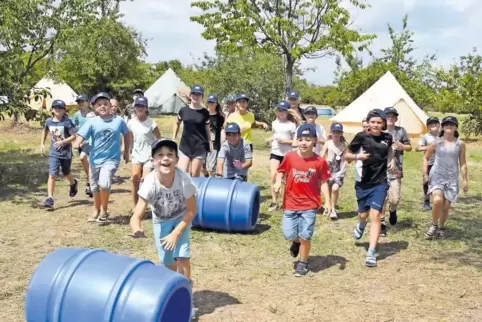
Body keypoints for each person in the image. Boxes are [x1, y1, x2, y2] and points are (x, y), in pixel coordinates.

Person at [129, 138, 197, 319]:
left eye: (169, 154)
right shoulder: (149, 183)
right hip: (161, 222)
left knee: (183, 256)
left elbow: (192, 210)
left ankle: (188, 295)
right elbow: (136, 215)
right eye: (160, 155)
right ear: (153, 161)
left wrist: (176, 233)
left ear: (176, 159)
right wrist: (136, 229)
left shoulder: (184, 180)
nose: (165, 158)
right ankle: (175, 290)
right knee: (169, 265)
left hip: (181, 219)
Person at [273, 123, 331, 277]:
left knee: (306, 235)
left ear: (315, 141)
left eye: (307, 139)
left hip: (309, 205)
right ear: (296, 141)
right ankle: (295, 241)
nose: (304, 142)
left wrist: (328, 201)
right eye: (300, 139)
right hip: (291, 203)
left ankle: (303, 263)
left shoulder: (319, 161)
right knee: (289, 234)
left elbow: (324, 182)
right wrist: (278, 182)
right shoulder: (290, 157)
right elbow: (281, 171)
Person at [345, 109, 395, 267]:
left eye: (379, 122)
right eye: (372, 122)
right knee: (362, 214)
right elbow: (346, 156)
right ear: (368, 122)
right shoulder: (361, 137)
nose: (375, 125)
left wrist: (392, 160)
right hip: (363, 182)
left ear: (383, 124)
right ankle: (360, 224)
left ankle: (371, 252)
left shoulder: (387, 137)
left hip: (380, 182)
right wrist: (356, 157)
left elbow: (390, 149)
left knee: (375, 215)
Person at [74, 92, 130, 223]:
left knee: (104, 184)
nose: (103, 106)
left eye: (105, 104)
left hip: (112, 159)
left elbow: (127, 134)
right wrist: (77, 142)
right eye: (99, 104)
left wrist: (126, 151)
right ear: (94, 107)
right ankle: (96, 210)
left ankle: (104, 210)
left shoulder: (118, 121)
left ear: (111, 105)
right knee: (94, 187)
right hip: (94, 159)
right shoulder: (92, 122)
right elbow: (81, 134)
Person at [423, 116, 468, 240]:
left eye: (452, 124)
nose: (449, 126)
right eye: (446, 124)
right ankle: (434, 225)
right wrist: (425, 174)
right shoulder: (437, 142)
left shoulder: (460, 144)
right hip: (437, 174)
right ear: (442, 127)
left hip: (452, 177)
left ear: (456, 127)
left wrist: (465, 180)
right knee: (437, 200)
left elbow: (463, 163)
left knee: (446, 206)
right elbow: (426, 158)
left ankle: (441, 227)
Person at [40, 99, 78, 209]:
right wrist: (42, 143)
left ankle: (73, 183)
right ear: (52, 109)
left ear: (64, 110)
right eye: (56, 107)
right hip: (54, 152)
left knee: (66, 172)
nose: (58, 109)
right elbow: (45, 130)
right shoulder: (48, 121)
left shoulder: (67, 121)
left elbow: (74, 135)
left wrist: (63, 141)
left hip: (65, 152)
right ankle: (50, 198)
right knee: (52, 174)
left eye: (60, 108)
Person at [379, 107, 412, 236]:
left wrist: (401, 146)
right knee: (383, 197)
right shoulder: (379, 131)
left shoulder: (401, 131)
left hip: (396, 169)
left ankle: (393, 210)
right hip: (381, 170)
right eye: (388, 116)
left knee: (395, 199)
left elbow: (409, 147)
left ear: (396, 118)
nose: (390, 118)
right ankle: (381, 223)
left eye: (393, 116)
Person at [127, 96, 161, 210]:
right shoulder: (131, 122)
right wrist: (127, 150)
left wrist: (159, 154)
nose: (140, 108)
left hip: (149, 155)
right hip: (136, 154)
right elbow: (129, 137)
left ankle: (144, 204)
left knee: (146, 180)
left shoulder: (152, 123)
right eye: (137, 106)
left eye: (142, 106)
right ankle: (135, 206)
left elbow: (158, 138)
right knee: (134, 178)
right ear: (134, 108)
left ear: (146, 108)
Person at [173, 85, 212, 177]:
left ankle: (194, 191)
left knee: (194, 175)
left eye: (199, 94)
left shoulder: (205, 113)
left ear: (202, 97)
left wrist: (210, 142)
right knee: (181, 173)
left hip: (199, 147)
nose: (196, 96)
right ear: (190, 95)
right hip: (185, 146)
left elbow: (207, 129)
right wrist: (173, 138)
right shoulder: (183, 110)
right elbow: (177, 123)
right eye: (194, 94)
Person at [265, 100, 297, 211]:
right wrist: (269, 139)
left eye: (284, 110)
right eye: (279, 110)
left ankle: (287, 201)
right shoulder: (274, 123)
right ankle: (274, 202)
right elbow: (274, 135)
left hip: (287, 154)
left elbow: (295, 141)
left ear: (288, 112)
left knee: (286, 179)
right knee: (273, 175)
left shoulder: (292, 125)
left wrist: (285, 141)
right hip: (275, 151)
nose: (281, 112)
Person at [320, 123, 347, 220]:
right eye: (334, 131)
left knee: (335, 188)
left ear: (341, 133)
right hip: (328, 170)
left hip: (339, 170)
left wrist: (341, 172)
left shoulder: (344, 145)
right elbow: (322, 156)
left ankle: (333, 209)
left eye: (338, 132)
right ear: (330, 133)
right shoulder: (328, 143)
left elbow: (345, 160)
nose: (336, 133)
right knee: (328, 190)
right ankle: (329, 207)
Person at [71, 94, 96, 197]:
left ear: (87, 102)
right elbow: (73, 128)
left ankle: (91, 185)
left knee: (92, 162)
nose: (81, 103)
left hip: (93, 142)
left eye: (82, 101)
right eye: (79, 102)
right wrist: (77, 139)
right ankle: (90, 181)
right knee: (83, 160)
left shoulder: (93, 114)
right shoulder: (76, 115)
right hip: (82, 142)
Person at [416, 117, 441, 210]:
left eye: (435, 123)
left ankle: (439, 201)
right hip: (429, 163)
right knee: (427, 182)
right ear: (428, 127)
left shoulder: (444, 135)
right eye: (431, 124)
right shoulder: (426, 137)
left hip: (442, 164)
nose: (433, 125)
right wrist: (429, 147)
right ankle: (426, 200)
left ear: (439, 125)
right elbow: (418, 148)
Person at [205, 94, 225, 177]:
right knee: (202, 166)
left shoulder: (220, 116)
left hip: (214, 143)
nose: (211, 104)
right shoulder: (203, 114)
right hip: (202, 142)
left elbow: (223, 128)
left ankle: (211, 183)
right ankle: (205, 180)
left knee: (211, 166)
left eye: (213, 102)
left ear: (216, 103)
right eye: (209, 102)